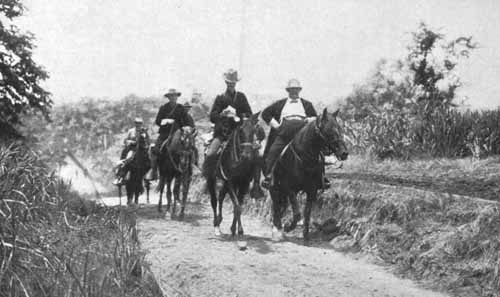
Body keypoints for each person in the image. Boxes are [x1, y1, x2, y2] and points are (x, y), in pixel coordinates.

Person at [261, 78, 330, 189]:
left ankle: (321, 178)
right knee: (273, 151)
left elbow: (316, 119)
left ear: (299, 90)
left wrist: (308, 120)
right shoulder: (280, 104)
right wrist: (276, 126)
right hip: (284, 132)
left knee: (318, 153)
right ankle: (269, 177)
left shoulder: (307, 104)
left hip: (302, 133)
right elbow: (265, 114)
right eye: (291, 90)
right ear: (288, 91)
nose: (294, 92)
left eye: (296, 90)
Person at [202, 69, 253, 177]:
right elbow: (212, 116)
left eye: (233, 83)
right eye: (229, 83)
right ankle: (208, 177)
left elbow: (249, 114)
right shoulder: (220, 98)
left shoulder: (241, 97)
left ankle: (253, 182)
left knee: (254, 154)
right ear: (226, 83)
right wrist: (222, 114)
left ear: (236, 83)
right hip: (223, 133)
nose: (231, 85)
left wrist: (239, 116)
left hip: (239, 133)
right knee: (211, 154)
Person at [146, 88, 190, 180]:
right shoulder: (163, 108)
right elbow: (158, 121)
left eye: (174, 96)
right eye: (171, 96)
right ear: (168, 97)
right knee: (155, 149)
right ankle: (154, 170)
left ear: (177, 97)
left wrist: (183, 126)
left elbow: (186, 121)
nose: (173, 98)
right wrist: (165, 121)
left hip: (177, 132)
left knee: (188, 147)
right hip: (165, 132)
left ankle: (190, 167)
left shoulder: (180, 108)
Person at [113, 117, 150, 185]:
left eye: (139, 123)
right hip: (132, 149)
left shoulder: (144, 131)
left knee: (150, 160)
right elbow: (125, 140)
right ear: (135, 123)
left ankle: (149, 176)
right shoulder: (131, 131)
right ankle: (121, 176)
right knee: (128, 159)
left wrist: (146, 143)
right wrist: (131, 142)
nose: (138, 125)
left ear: (141, 124)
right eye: (136, 123)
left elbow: (148, 140)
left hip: (143, 149)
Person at [183, 101, 199, 166]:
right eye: (185, 107)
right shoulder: (180, 117)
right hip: (182, 135)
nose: (187, 109)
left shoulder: (190, 117)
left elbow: (193, 127)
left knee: (194, 149)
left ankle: (194, 163)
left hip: (189, 136)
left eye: (188, 108)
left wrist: (194, 132)